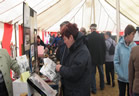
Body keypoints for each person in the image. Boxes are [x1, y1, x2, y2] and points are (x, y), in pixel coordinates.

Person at [56, 23, 92, 96]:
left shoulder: (82, 52)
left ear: (71, 37)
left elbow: (74, 73)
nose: (64, 42)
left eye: (65, 39)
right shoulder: (74, 48)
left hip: (78, 91)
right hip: (72, 90)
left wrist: (61, 68)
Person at [114, 24, 136, 96]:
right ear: (128, 34)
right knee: (122, 94)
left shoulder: (135, 46)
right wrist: (120, 74)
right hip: (121, 78)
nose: (134, 36)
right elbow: (116, 61)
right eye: (133, 34)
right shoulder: (119, 46)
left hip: (132, 78)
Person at [86, 24, 106, 94]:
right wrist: (103, 57)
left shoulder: (88, 37)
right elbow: (104, 47)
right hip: (100, 58)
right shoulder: (101, 36)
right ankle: (102, 86)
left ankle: (94, 89)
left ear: (91, 29)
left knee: (92, 74)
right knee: (101, 73)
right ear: (96, 28)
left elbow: (87, 49)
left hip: (92, 59)